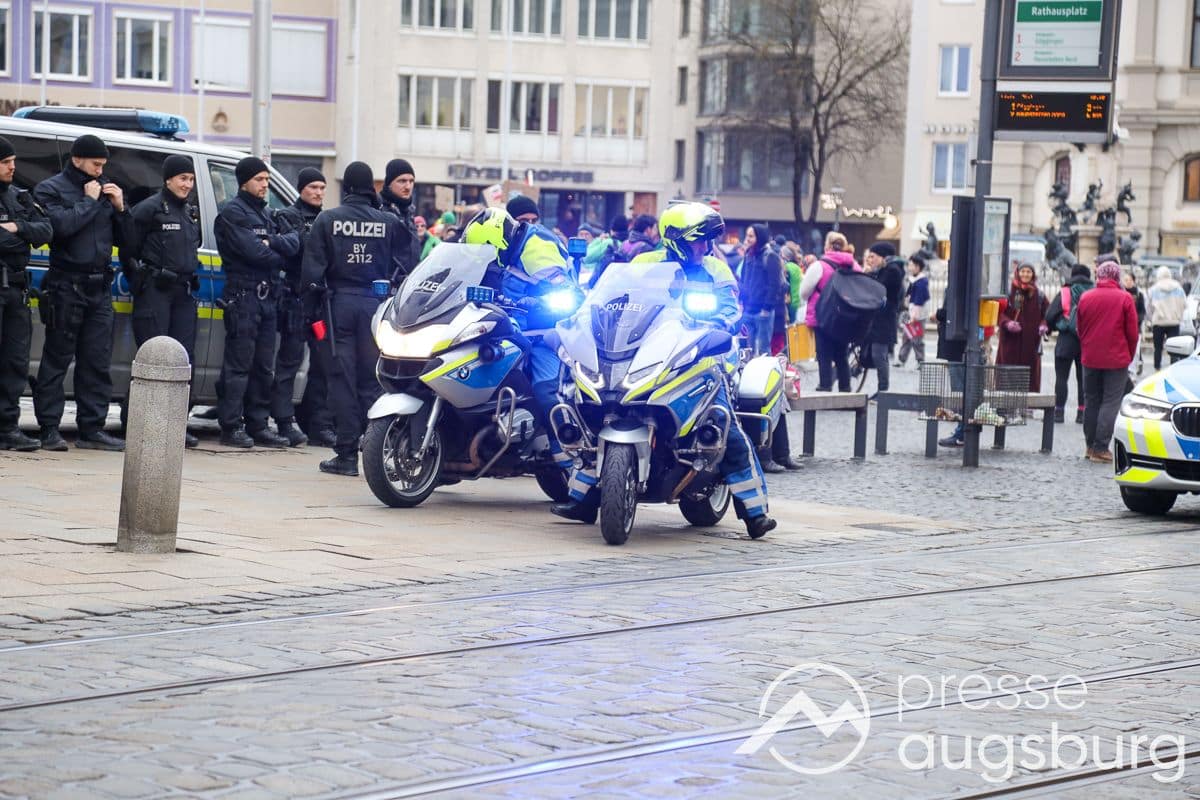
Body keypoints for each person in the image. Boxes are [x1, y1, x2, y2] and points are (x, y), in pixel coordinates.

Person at [551, 202, 777, 540]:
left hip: (699, 355)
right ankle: (584, 500)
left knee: (724, 425)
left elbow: (732, 307)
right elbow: (613, 298)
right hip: (646, 352)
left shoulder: (716, 269)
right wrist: (590, 316)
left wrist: (724, 319)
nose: (705, 247)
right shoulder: (644, 263)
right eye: (698, 240)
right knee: (597, 412)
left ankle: (754, 512)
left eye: (707, 240)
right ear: (677, 240)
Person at [301, 162, 403, 477]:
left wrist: (309, 316)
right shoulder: (389, 222)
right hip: (376, 306)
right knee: (373, 379)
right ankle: (377, 449)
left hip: (338, 306)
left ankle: (346, 455)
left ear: (346, 188)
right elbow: (408, 262)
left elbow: (311, 273)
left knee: (341, 380)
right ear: (371, 187)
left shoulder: (327, 220)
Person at [33, 134, 133, 452]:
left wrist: (120, 209)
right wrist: (88, 202)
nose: (100, 170)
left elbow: (129, 241)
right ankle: (49, 428)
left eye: (103, 165)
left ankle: (92, 429)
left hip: (99, 287)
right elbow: (59, 228)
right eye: (95, 164)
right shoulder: (50, 189)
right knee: (57, 359)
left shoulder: (106, 189)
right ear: (77, 159)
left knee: (96, 361)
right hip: (66, 285)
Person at [461, 207, 578, 472]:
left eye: (489, 251)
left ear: (501, 243)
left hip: (542, 333)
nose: (486, 257)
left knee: (547, 391)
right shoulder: (494, 253)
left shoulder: (538, 249)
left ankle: (570, 455)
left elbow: (568, 295)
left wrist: (536, 303)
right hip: (502, 328)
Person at [213, 156, 301, 448]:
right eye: (259, 180)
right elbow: (256, 254)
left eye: (267, 180)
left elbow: (294, 243)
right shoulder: (233, 213)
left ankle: (258, 424)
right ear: (244, 182)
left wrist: (272, 243)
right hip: (244, 296)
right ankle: (231, 426)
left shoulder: (267, 213)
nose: (265, 185)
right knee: (239, 365)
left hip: (267, 298)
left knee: (263, 366)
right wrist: (278, 251)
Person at [125, 154, 203, 449]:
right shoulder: (149, 209)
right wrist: (141, 281)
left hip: (183, 293)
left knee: (183, 360)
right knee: (154, 359)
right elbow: (128, 249)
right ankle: (141, 425)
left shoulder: (189, 212)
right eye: (183, 178)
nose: (187, 184)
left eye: (191, 179)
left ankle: (174, 427)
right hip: (156, 291)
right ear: (168, 179)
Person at [0, 137, 52, 452]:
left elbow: (46, 231)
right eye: (6, 162)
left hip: (16, 290)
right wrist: (21, 237)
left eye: (13, 161)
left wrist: (18, 228)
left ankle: (7, 427)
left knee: (15, 362)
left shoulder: (19, 196)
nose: (12, 167)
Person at [270, 167, 326, 449]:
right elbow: (295, 248)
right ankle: (283, 420)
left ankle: (317, 423)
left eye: (322, 188)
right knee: (289, 362)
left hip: (319, 303)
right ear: (301, 188)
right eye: (313, 187)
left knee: (322, 362)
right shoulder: (287, 216)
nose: (318, 192)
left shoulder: (326, 218)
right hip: (295, 299)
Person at [1076, 261, 1139, 463]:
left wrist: (1087, 347)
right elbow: (1133, 333)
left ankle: (1089, 446)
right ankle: (1101, 448)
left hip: (1090, 357)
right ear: (1116, 277)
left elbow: (1079, 328)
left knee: (1091, 400)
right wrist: (1128, 355)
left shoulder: (1086, 297)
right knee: (1110, 402)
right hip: (1116, 359)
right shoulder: (1124, 298)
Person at [799, 231, 860, 392]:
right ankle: (845, 388)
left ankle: (825, 385)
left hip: (823, 316)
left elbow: (804, 293)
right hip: (845, 316)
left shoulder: (819, 266)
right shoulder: (854, 266)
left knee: (824, 353)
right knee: (842, 354)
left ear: (827, 246)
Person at [1044, 264, 1093, 424]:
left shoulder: (1065, 292)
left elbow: (1050, 315)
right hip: (1087, 340)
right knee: (1083, 378)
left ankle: (1059, 412)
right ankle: (1082, 413)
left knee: (1061, 377)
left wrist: (1052, 327)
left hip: (1066, 339)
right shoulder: (1093, 292)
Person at [996, 263, 1049, 392]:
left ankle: (1028, 403)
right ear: (1017, 273)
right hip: (1009, 344)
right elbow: (998, 312)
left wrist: (1044, 325)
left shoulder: (1039, 295)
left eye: (1028, 272)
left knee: (1029, 379)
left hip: (1030, 345)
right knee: (1007, 379)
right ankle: (1007, 402)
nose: (1025, 274)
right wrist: (1007, 323)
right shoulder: (1008, 293)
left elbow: (1047, 315)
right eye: (1023, 271)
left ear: (1033, 275)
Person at [862, 242, 905, 395]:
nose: (870, 260)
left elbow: (878, 289)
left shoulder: (892, 271)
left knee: (879, 355)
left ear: (882, 257)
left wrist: (868, 275)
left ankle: (883, 391)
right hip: (878, 320)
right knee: (874, 353)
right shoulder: (886, 269)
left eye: (872, 256)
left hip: (884, 321)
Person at [740, 224, 783, 356]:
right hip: (748, 310)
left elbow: (775, 284)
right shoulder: (748, 255)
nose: (747, 239)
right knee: (747, 350)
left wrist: (766, 308)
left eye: (751, 236)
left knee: (764, 350)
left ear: (759, 237)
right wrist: (742, 301)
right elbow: (743, 279)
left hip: (762, 312)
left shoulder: (770, 256)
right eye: (747, 235)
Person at [378, 158, 422, 276]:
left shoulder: (409, 211)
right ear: (389, 183)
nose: (408, 186)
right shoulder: (378, 209)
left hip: (409, 281)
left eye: (411, 181)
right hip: (387, 282)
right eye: (402, 181)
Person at [1147, 265, 1185, 371]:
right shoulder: (1178, 288)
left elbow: (1148, 307)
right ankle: (1173, 368)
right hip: (1174, 322)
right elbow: (1184, 304)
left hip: (1158, 322)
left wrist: (1151, 318)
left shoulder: (1154, 289)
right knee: (1174, 349)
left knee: (1158, 347)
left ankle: (1157, 368)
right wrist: (1179, 316)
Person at [896, 253, 929, 367]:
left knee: (917, 339)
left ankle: (920, 360)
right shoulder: (914, 280)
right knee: (907, 337)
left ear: (917, 267)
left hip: (918, 316)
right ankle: (902, 359)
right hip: (911, 313)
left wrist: (914, 316)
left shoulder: (921, 283)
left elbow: (919, 301)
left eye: (911, 265)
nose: (909, 267)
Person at [1121, 269, 1147, 378]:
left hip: (1136, 327)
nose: (1128, 282)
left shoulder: (1139, 294)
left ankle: (1132, 371)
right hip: (1122, 327)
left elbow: (1142, 311)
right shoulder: (1121, 293)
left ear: (1134, 281)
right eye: (1126, 280)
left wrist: (1136, 320)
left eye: (1130, 280)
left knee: (1135, 350)